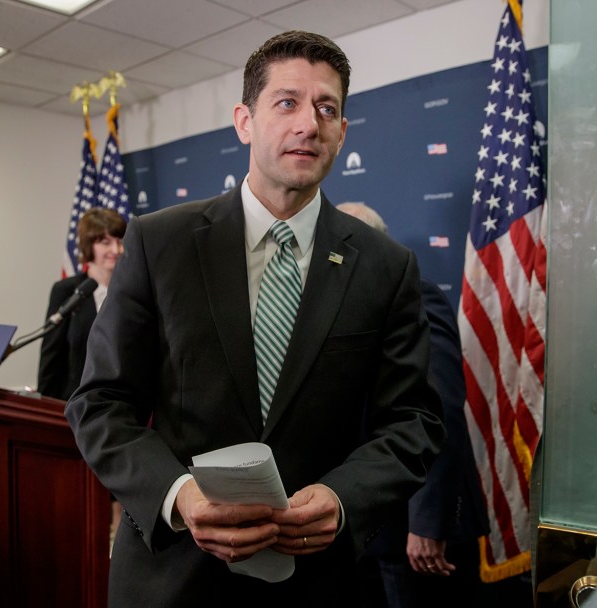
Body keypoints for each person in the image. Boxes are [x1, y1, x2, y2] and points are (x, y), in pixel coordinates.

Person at [65, 31, 444, 607]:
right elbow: (99, 402)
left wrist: (342, 498)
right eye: (286, 102)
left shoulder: (386, 267)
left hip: (318, 579)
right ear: (244, 120)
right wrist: (180, 495)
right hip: (174, 576)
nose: (308, 124)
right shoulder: (158, 242)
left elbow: (412, 421)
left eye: (327, 108)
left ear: (343, 132)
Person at [337, 202, 489, 608]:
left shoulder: (414, 294)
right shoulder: (346, 306)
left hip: (415, 536)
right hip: (367, 530)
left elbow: (438, 410)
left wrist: (427, 523)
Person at [37, 207, 126, 401]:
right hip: (74, 405)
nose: (115, 250)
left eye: (120, 242)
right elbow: (51, 356)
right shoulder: (66, 291)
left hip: (122, 405)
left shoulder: (133, 291)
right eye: (105, 242)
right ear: (88, 245)